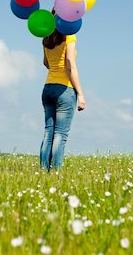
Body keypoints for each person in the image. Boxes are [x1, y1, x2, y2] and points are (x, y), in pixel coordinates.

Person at [40, 17, 86, 173]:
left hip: (47, 88)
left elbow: (46, 63)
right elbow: (70, 66)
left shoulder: (46, 37)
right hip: (64, 89)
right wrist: (80, 94)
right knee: (60, 134)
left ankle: (43, 170)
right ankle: (56, 172)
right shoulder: (69, 36)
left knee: (48, 131)